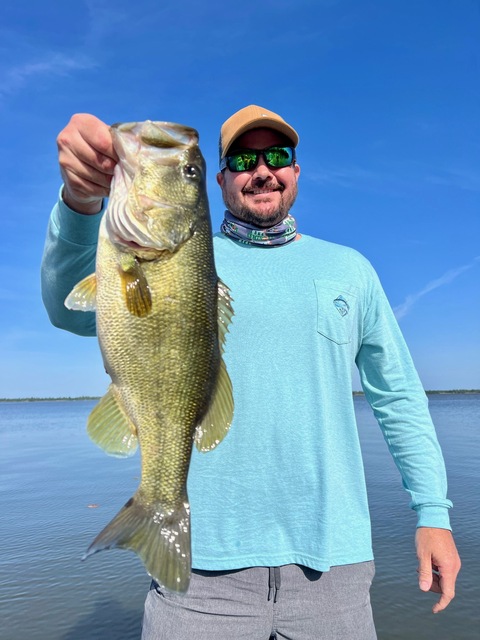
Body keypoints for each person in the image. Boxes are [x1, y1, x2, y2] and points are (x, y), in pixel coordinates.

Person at [41, 105, 461, 640]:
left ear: (296, 172)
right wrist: (80, 202)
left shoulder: (351, 270)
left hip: (333, 566)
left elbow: (398, 399)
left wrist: (433, 513)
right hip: (198, 574)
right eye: (243, 158)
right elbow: (62, 306)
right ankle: (157, 511)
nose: (262, 169)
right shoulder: (178, 256)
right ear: (220, 181)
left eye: (278, 155)